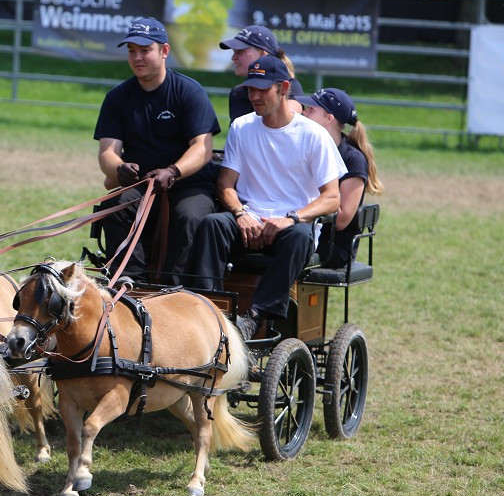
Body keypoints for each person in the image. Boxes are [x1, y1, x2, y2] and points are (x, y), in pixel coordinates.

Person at [189, 55, 347, 341]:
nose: (254, 96)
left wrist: (291, 218)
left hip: (291, 224)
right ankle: (209, 311)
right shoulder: (242, 127)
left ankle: (256, 315)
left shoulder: (313, 135)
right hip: (248, 219)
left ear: (283, 88)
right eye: (250, 89)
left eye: (262, 90)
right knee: (213, 224)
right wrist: (240, 213)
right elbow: (225, 184)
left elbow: (332, 198)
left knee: (300, 236)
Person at [95, 17, 221, 286]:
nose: (137, 57)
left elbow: (202, 147)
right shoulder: (117, 98)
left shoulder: (189, 92)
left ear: (164, 51)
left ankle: (174, 288)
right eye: (131, 51)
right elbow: (107, 153)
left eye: (144, 50)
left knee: (188, 216)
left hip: (189, 185)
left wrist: (174, 171)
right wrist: (119, 168)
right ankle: (131, 283)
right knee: (113, 205)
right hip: (142, 186)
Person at [296, 87, 383, 267]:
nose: (303, 113)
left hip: (332, 245)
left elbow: (342, 220)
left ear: (329, 118)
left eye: (311, 109)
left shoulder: (353, 160)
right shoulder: (305, 146)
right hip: (302, 229)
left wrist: (295, 211)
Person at [219, 25, 303, 122]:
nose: (233, 57)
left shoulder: (287, 85)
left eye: (240, 51)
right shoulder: (237, 93)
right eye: (234, 52)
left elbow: (286, 121)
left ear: (264, 54)